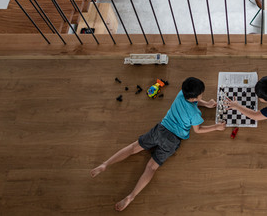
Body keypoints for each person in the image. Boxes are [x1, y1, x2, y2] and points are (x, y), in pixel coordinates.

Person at [90, 77, 225, 211]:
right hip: (172, 140)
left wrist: (206, 103)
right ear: (196, 96)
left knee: (133, 148)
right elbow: (198, 130)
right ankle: (131, 196)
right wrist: (216, 127)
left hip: (160, 129)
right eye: (201, 93)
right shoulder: (195, 114)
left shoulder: (181, 93)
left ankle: (105, 164)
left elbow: (193, 101)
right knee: (151, 167)